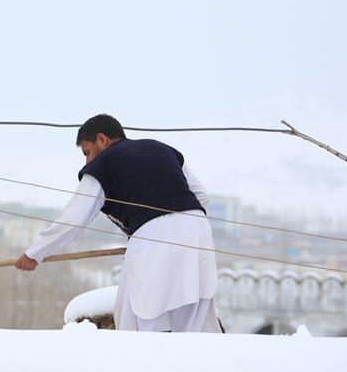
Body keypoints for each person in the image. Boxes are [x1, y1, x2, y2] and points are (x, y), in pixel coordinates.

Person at [14, 114, 222, 333]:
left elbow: (74, 220)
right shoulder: (163, 149)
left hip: (153, 236)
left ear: (102, 139)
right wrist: (179, 220)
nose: (87, 161)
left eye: (87, 152)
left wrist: (34, 253)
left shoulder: (104, 163)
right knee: (193, 320)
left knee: (138, 316)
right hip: (199, 230)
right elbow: (201, 195)